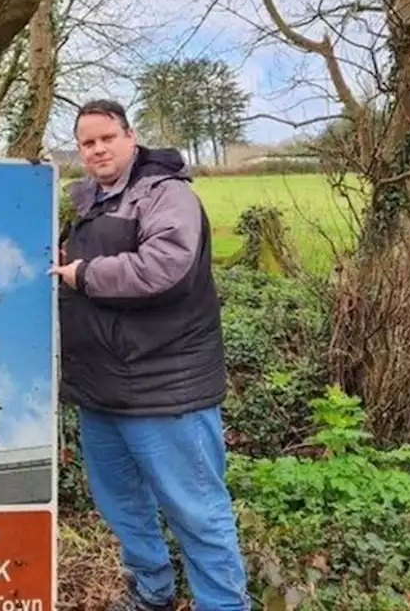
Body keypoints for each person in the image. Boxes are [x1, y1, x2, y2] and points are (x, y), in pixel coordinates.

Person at [49, 99, 250, 611]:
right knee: (122, 507)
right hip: (102, 391)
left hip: (166, 390)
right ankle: (151, 591)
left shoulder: (166, 195)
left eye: (106, 138)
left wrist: (85, 274)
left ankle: (224, 604)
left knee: (197, 511)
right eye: (87, 142)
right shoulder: (88, 204)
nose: (97, 149)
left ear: (130, 136)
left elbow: (165, 266)